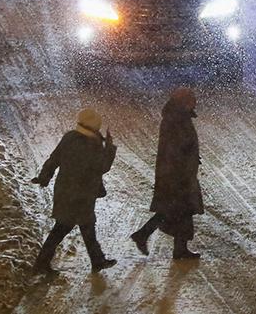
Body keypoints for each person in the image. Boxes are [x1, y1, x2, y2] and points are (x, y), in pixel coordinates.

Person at [31, 108, 118, 274]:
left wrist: (44, 177)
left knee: (85, 227)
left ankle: (97, 260)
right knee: (65, 228)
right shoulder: (91, 144)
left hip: (67, 191)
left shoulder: (70, 137)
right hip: (81, 195)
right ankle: (41, 264)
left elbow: (54, 159)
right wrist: (109, 147)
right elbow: (102, 167)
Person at [131, 87, 204, 260]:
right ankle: (170, 245)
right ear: (184, 102)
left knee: (177, 210)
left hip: (177, 172)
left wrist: (191, 157)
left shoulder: (178, 117)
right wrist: (185, 163)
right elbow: (176, 147)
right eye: (192, 100)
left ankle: (170, 245)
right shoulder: (176, 119)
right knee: (180, 209)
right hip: (177, 174)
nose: (195, 103)